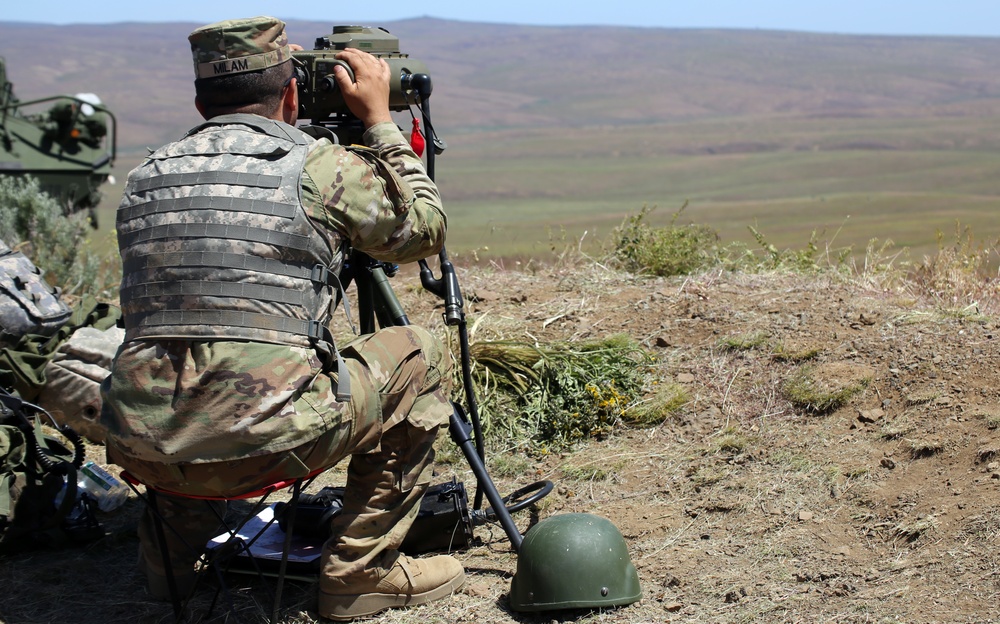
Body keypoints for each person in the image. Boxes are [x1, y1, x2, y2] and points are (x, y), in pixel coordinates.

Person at [99, 15, 464, 621]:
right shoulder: (318, 170)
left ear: (199, 100)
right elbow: (425, 230)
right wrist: (378, 123)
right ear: (292, 92)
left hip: (145, 448)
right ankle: (360, 574)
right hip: (268, 446)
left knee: (181, 364)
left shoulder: (146, 177)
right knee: (419, 354)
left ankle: (167, 568)